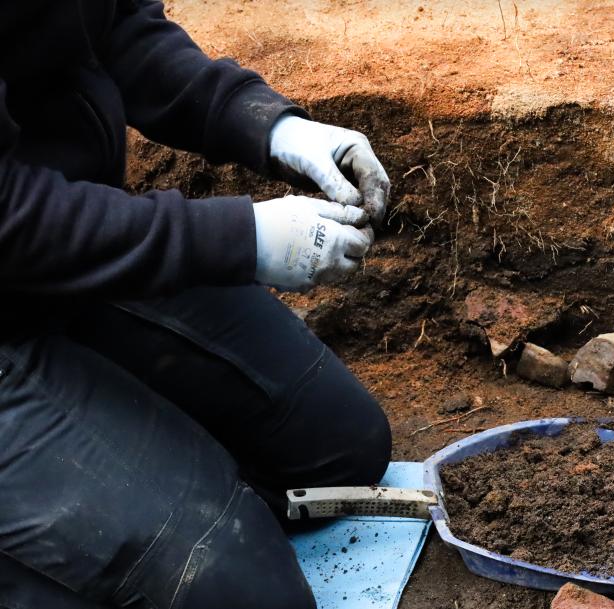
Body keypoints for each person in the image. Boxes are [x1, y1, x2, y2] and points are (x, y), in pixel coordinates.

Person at [0, 2, 392, 608]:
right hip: (18, 249)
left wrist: (268, 124)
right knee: (245, 592)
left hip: (55, 266)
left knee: (341, 451)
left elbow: (117, 27)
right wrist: (240, 239)